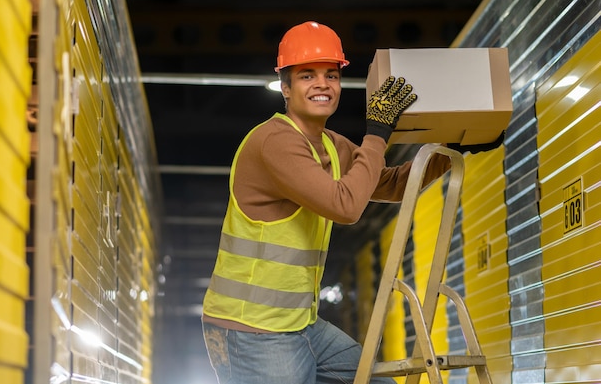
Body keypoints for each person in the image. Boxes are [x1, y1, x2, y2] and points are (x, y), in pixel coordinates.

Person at [201, 20, 500, 384]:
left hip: (301, 325)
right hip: (252, 331)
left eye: (331, 75)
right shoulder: (273, 142)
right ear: (285, 88)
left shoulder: (330, 144)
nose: (323, 84)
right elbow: (345, 206)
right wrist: (377, 133)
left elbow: (387, 183)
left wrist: (452, 150)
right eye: (307, 76)